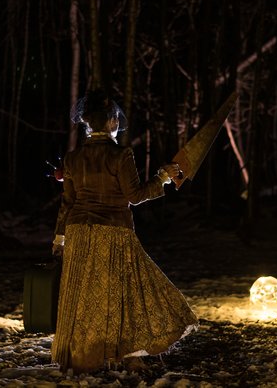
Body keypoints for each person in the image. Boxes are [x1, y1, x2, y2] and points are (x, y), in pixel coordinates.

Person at [51, 90, 198, 373]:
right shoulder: (121, 155)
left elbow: (67, 202)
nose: (118, 123)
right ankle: (125, 353)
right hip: (113, 231)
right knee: (123, 291)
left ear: (87, 123)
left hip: (79, 232)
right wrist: (163, 178)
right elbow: (135, 195)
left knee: (84, 296)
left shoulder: (72, 158)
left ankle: (86, 356)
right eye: (116, 119)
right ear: (108, 123)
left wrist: (59, 238)